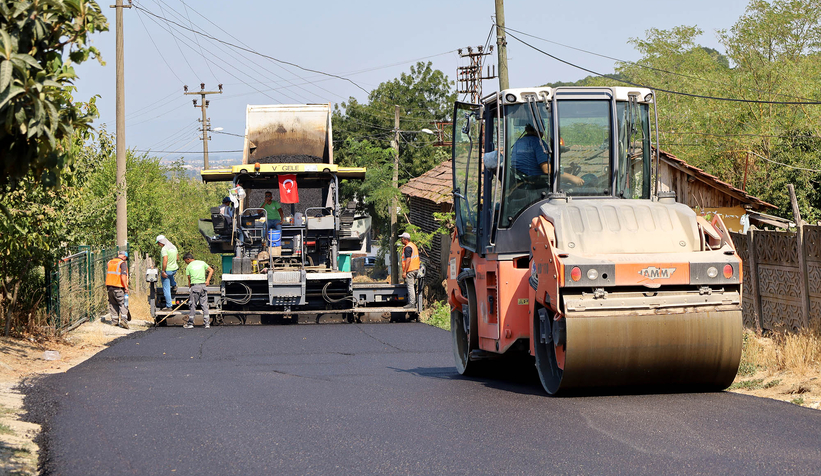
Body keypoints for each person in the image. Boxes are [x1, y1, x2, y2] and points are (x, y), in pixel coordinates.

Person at [511, 124, 584, 185]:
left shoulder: (518, 143)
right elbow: (546, 169)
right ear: (541, 130)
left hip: (522, 181)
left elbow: (530, 164)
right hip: (536, 185)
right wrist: (571, 177)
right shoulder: (538, 143)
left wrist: (564, 171)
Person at [183, 252, 214, 329]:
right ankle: (207, 323)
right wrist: (208, 280)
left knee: (193, 305)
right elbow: (211, 270)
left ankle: (190, 323)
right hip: (203, 286)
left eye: (185, 261)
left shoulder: (189, 266)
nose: (185, 263)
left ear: (188, 259)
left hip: (195, 287)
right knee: (204, 305)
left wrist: (190, 288)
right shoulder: (202, 263)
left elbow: (189, 279)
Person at [105, 250, 130, 329]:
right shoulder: (122, 263)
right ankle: (123, 320)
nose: (125, 260)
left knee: (113, 303)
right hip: (118, 286)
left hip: (109, 287)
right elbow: (123, 275)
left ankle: (114, 321)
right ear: (124, 256)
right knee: (123, 303)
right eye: (125, 258)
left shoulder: (110, 262)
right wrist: (126, 287)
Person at [155, 235, 179, 310]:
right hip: (174, 269)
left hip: (167, 270)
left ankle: (169, 306)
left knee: (166, 289)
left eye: (158, 243)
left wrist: (163, 271)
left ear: (161, 242)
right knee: (170, 275)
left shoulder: (164, 249)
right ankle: (174, 285)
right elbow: (177, 258)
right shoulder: (173, 247)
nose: (159, 244)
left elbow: (165, 260)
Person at [400, 232, 420, 310]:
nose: (401, 240)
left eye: (402, 239)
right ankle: (413, 302)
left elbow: (408, 260)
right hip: (415, 269)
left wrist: (405, 271)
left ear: (406, 240)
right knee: (413, 286)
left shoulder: (408, 248)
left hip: (410, 270)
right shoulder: (413, 246)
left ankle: (412, 303)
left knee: (410, 286)